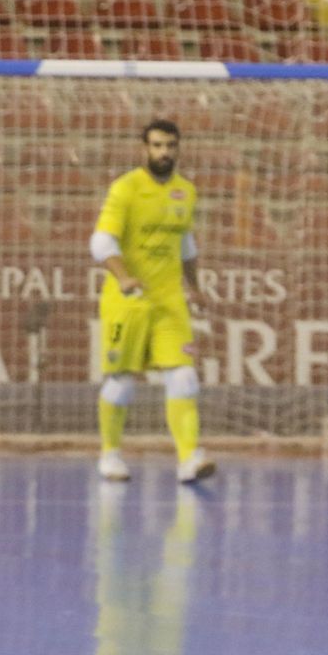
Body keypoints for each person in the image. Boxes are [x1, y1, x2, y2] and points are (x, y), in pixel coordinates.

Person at [91, 118, 215, 484]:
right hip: (127, 302)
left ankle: (189, 458)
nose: (164, 152)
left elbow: (186, 244)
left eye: (170, 146)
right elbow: (101, 242)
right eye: (157, 145)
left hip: (168, 302)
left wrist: (194, 285)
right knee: (122, 382)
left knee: (185, 377)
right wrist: (124, 276)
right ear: (144, 148)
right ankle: (110, 454)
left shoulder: (185, 191)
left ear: (179, 148)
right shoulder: (125, 189)